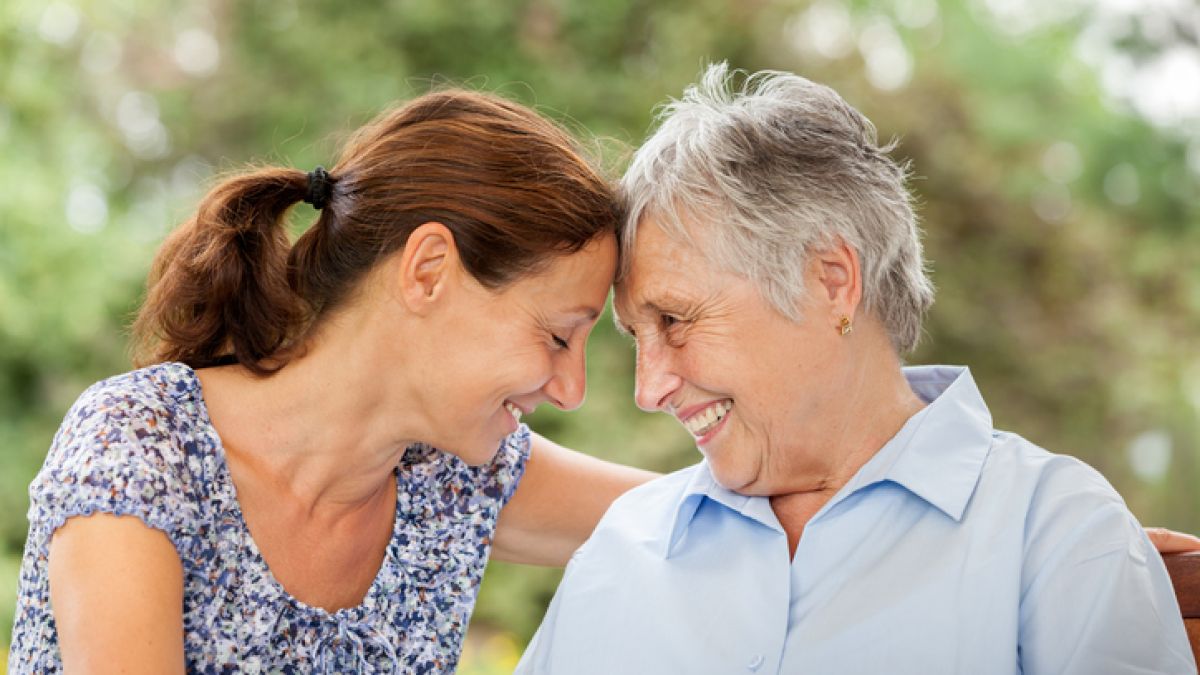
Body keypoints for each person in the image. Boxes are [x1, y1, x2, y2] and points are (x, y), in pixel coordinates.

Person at [516, 65, 1198, 674]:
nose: (648, 388)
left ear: (831, 281)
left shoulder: (1053, 533)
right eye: (636, 336)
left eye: (674, 319)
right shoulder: (623, 545)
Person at [7, 89, 654, 673]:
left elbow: (693, 519)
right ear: (428, 271)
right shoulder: (143, 446)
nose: (572, 390)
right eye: (557, 336)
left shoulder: (454, 475)